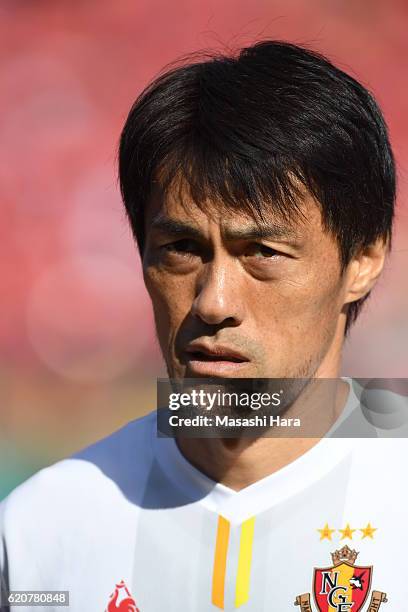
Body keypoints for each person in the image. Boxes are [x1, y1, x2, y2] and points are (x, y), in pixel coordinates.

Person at [0, 40, 405, 612]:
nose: (214, 303)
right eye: (182, 248)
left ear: (363, 261)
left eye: (262, 250)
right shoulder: (41, 529)